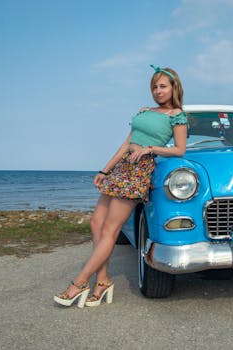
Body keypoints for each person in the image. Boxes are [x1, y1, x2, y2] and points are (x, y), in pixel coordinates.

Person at [54, 65, 188, 308]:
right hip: (121, 168)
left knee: (111, 230)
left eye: (163, 86)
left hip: (139, 169)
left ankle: (80, 282)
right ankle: (103, 280)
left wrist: (150, 149)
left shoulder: (177, 116)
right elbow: (127, 143)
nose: (158, 91)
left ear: (174, 88)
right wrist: (105, 170)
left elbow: (179, 150)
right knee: (96, 223)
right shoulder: (145, 111)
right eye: (155, 87)